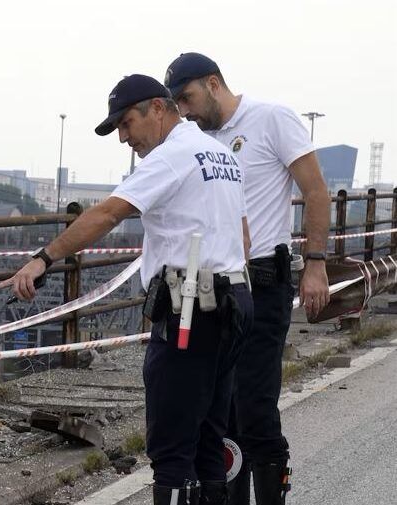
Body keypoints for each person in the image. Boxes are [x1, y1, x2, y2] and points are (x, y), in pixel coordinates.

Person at [0, 74, 251, 505]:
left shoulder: (172, 155)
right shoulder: (219, 153)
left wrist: (45, 257)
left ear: (157, 107)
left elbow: (110, 212)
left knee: (171, 449)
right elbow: (242, 235)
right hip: (231, 303)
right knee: (209, 443)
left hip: (191, 307)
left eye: (127, 123)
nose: (123, 138)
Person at [165, 52, 329, 505]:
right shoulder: (196, 140)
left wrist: (315, 263)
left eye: (188, 98)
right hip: (214, 289)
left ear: (214, 84)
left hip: (264, 280)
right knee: (217, 413)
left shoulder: (271, 119)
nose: (185, 110)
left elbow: (315, 191)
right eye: (177, 104)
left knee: (254, 408)